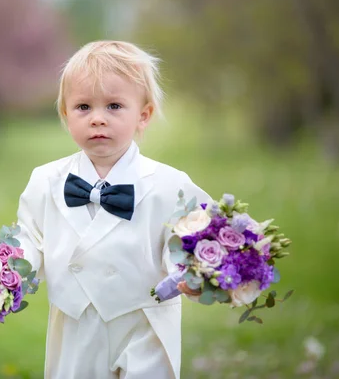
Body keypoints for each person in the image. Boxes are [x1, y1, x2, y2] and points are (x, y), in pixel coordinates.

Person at [15, 40, 211, 379]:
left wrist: (193, 273)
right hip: (75, 322)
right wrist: (8, 270)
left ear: (143, 115)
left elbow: (192, 235)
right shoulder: (46, 180)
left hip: (145, 321)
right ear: (65, 114)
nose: (97, 119)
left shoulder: (168, 183)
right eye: (83, 107)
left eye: (114, 106)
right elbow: (29, 238)